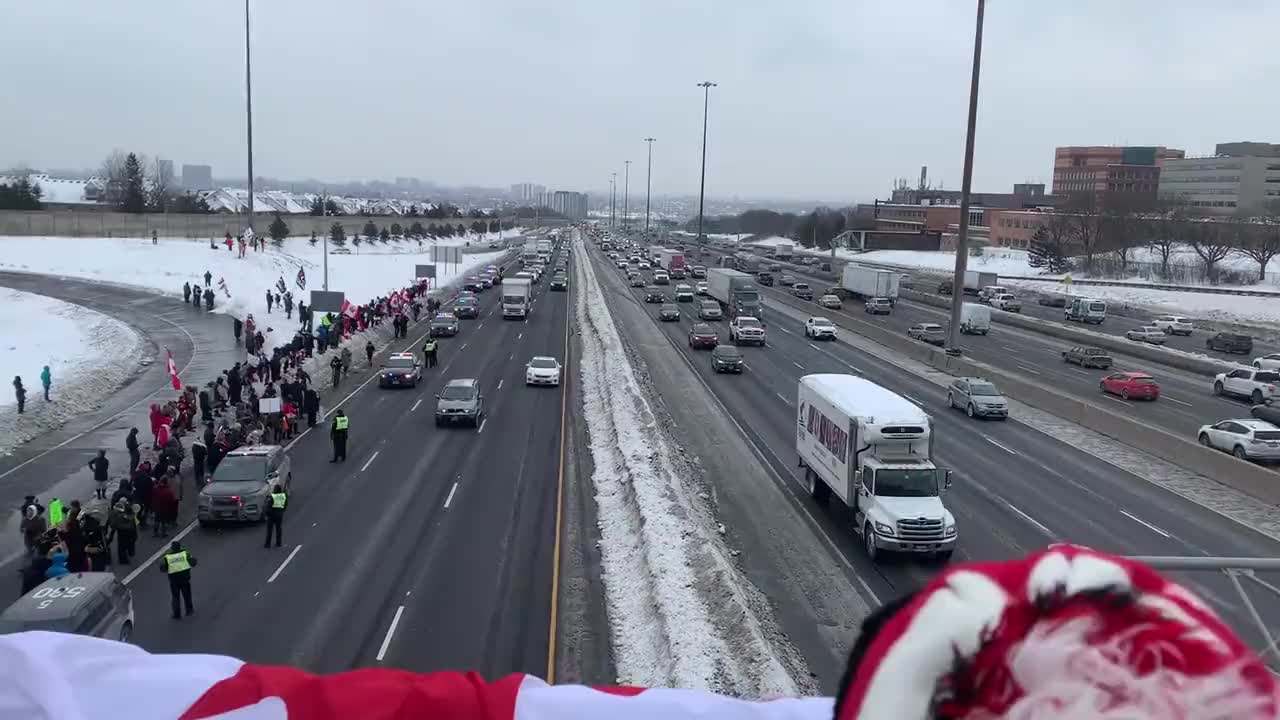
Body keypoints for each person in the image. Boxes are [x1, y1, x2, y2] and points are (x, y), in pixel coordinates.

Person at [159, 540, 197, 620]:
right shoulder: (185, 554)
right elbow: (193, 562)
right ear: (179, 547)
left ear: (172, 548)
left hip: (174, 580)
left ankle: (177, 614)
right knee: (187, 595)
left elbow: (163, 568)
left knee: (175, 597)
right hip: (185, 578)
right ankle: (189, 610)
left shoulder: (167, 557)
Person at [108, 499, 137, 566]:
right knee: (125, 544)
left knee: (122, 545)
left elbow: (113, 524)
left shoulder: (116, 511)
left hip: (122, 530)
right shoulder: (124, 512)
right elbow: (132, 519)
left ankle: (124, 558)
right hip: (126, 530)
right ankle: (125, 557)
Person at [263, 484, 287, 549]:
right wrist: (281, 511)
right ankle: (278, 543)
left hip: (271, 516)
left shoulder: (272, 496)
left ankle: (267, 544)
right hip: (279, 515)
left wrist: (267, 514)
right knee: (278, 530)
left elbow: (268, 506)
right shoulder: (283, 496)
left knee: (269, 531)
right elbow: (285, 505)